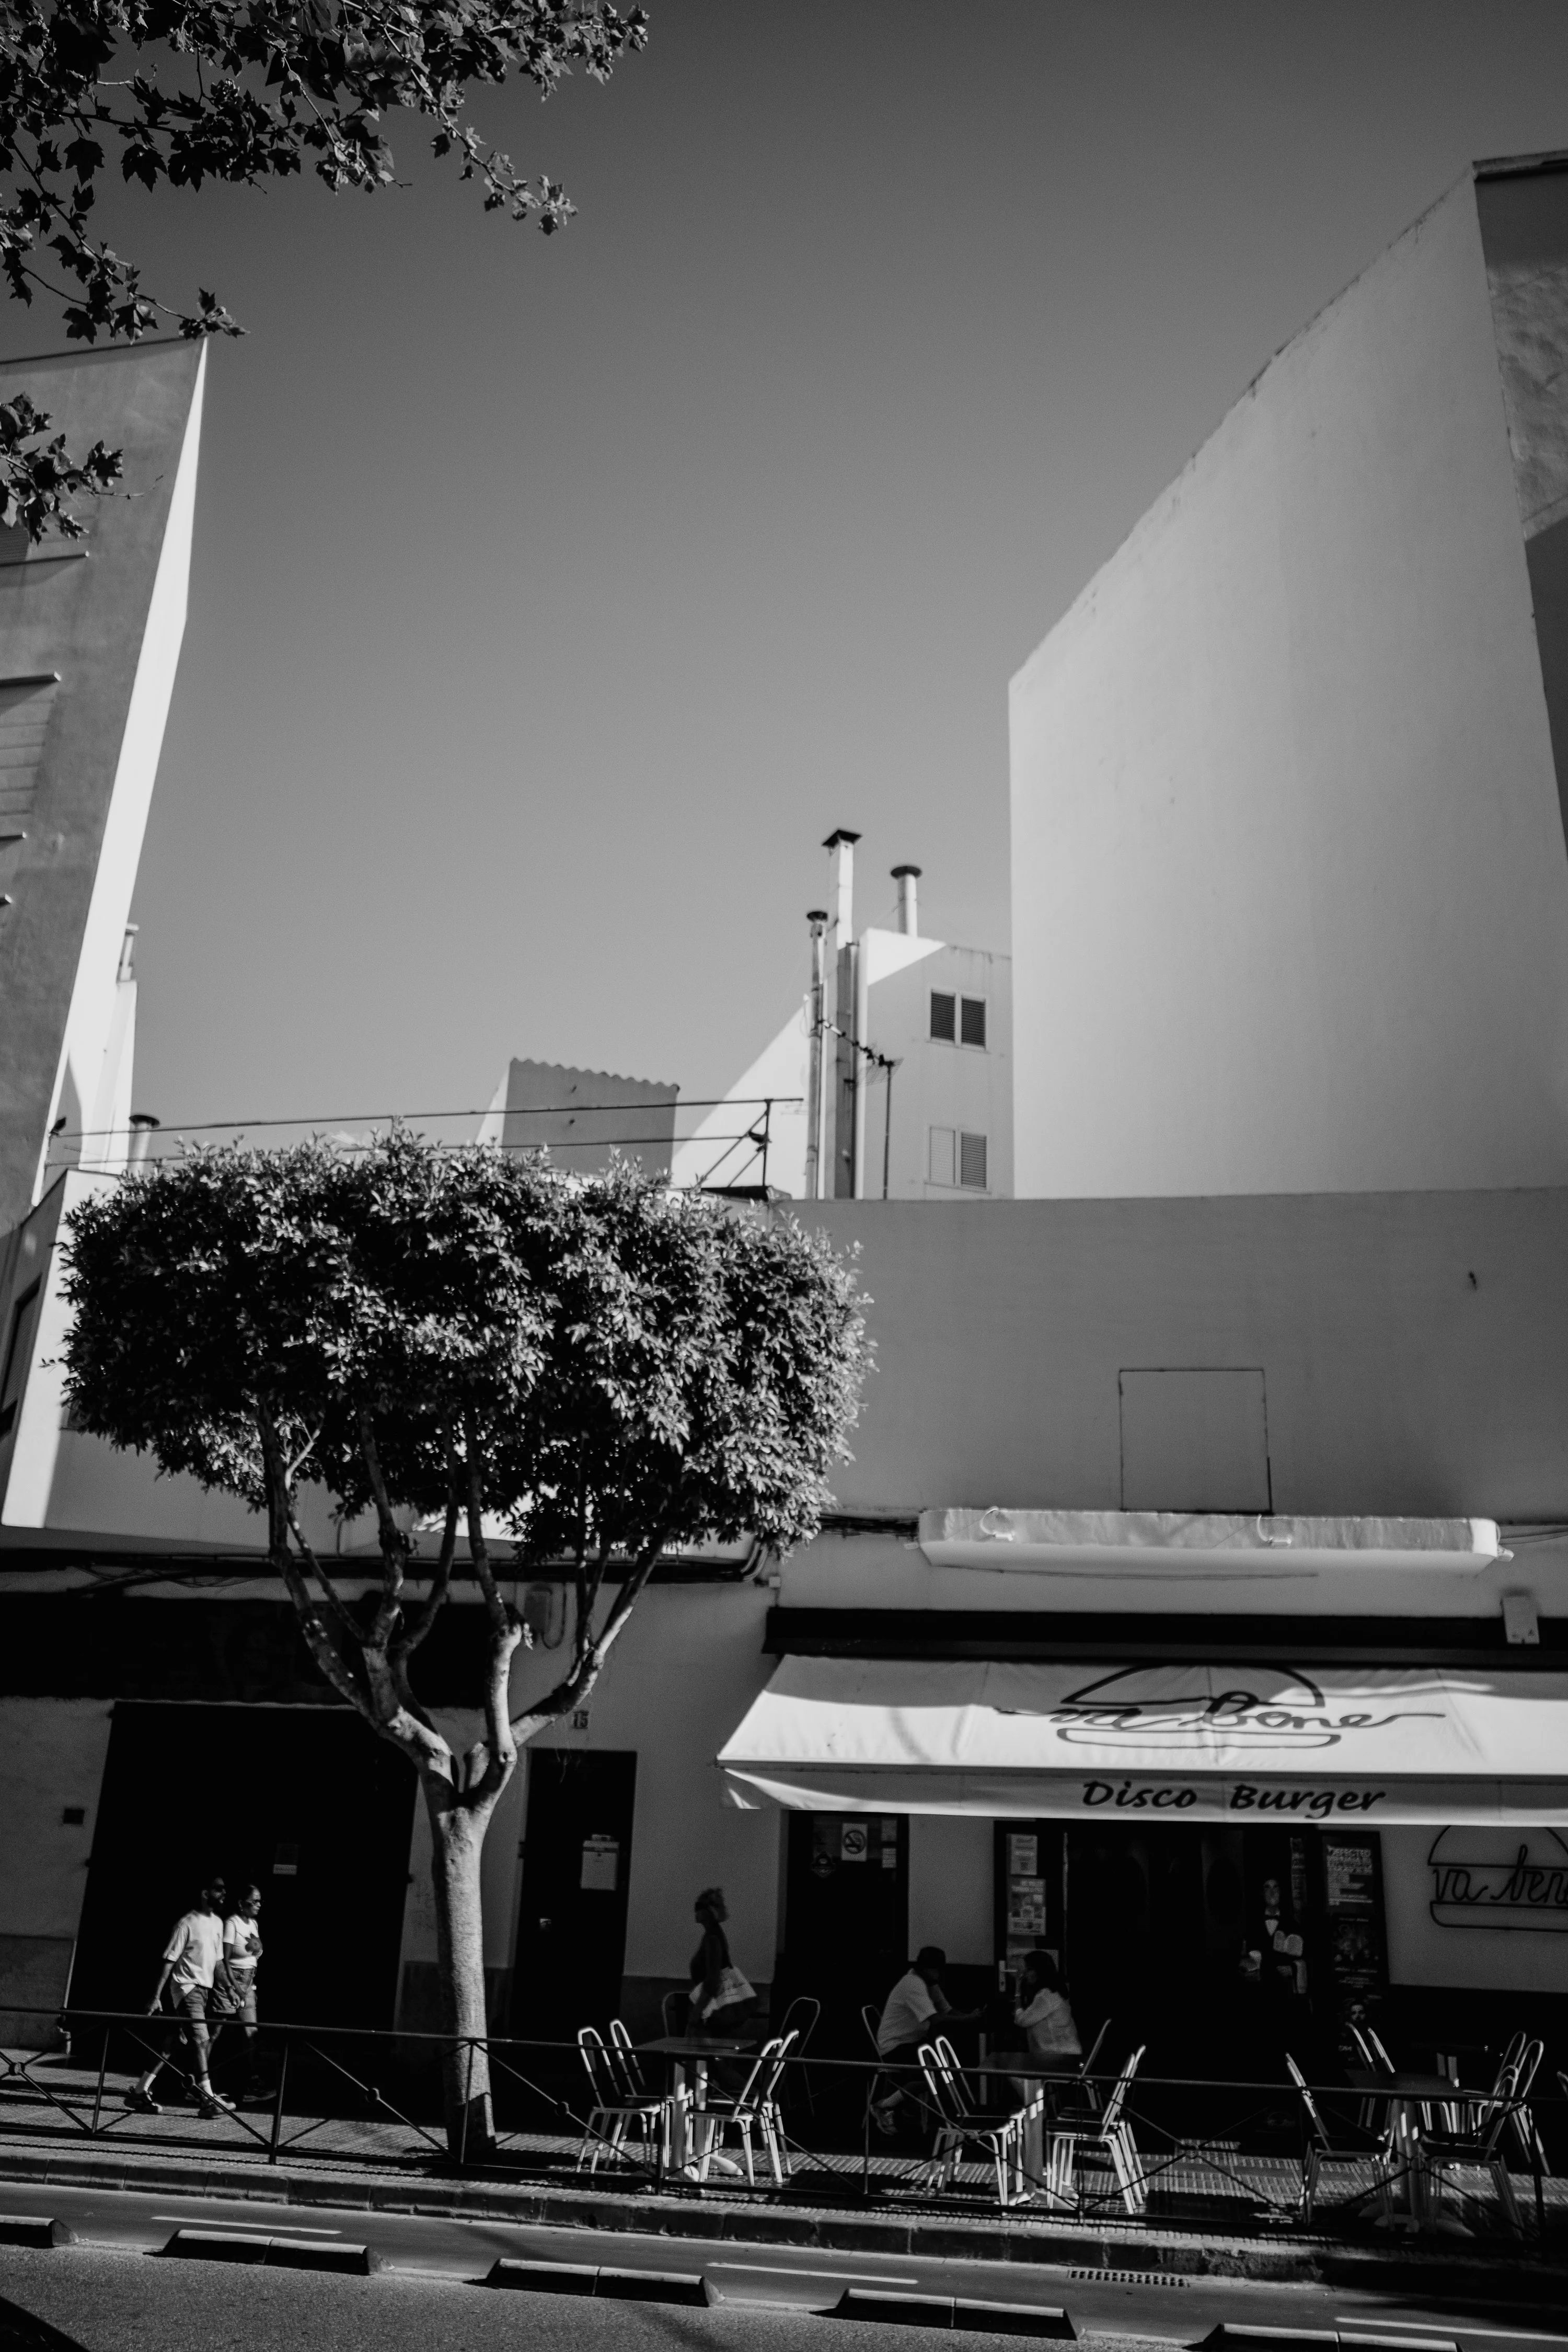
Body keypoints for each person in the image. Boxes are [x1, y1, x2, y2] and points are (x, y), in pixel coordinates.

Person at [126, 1878, 236, 2118]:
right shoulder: (186, 1924)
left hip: (203, 1991)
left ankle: (140, 2092)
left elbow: (218, 1961)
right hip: (187, 1990)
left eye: (224, 1890)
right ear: (205, 1893)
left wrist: (229, 1988)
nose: (223, 1894)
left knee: (171, 2044)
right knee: (201, 2040)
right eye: (218, 1889)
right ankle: (207, 2099)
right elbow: (169, 1960)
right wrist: (156, 1996)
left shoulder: (218, 1923)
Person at [868, 1945, 978, 2135]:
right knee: (933, 2075)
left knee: (942, 2069)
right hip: (896, 2045)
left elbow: (947, 2010)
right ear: (928, 1969)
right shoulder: (913, 1984)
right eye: (938, 1970)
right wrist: (970, 2020)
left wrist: (971, 2017)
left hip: (912, 2042)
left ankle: (904, 2106)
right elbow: (935, 2019)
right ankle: (885, 2106)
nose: (940, 1975)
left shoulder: (928, 1983)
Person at [211, 1884, 263, 2098]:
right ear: (242, 1904)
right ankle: (200, 2082)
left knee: (251, 2034)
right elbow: (224, 1959)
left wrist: (251, 1987)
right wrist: (233, 1987)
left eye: (260, 1901)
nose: (259, 1905)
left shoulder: (254, 1924)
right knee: (214, 2034)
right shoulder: (232, 1923)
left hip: (248, 1984)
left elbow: (252, 1959)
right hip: (231, 1982)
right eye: (254, 1901)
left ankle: (251, 2083)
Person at [1010, 1950, 1081, 2102]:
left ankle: (1037, 2108)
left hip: (1058, 2056)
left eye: (1029, 1969)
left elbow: (1022, 2020)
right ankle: (1044, 2106)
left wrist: (1017, 1987)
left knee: (1009, 2069)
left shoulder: (1046, 1996)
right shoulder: (1053, 1992)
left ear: (1039, 1971)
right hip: (1067, 2054)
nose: (1025, 1974)